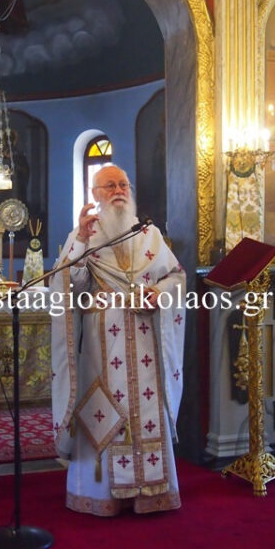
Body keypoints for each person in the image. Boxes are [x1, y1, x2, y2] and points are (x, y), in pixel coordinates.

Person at [50, 164, 186, 516]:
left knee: (147, 411)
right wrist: (80, 241)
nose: (118, 191)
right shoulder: (84, 236)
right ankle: (101, 495)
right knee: (103, 410)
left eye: (123, 184)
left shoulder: (150, 235)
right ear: (95, 194)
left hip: (146, 340)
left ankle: (151, 492)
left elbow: (176, 276)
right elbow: (70, 286)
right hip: (102, 345)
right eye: (109, 186)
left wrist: (158, 293)